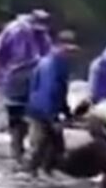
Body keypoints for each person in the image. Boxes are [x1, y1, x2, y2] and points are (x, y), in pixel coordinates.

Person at [0, 9, 52, 162]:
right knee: (16, 115)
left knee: (36, 115)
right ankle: (17, 150)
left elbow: (48, 57)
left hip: (35, 78)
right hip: (14, 76)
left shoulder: (43, 35)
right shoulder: (14, 30)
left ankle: (30, 150)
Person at [26, 30, 80, 176]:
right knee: (42, 145)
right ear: (60, 46)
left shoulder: (50, 62)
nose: (71, 54)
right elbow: (49, 92)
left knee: (54, 146)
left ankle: (43, 173)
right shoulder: (52, 65)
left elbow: (60, 91)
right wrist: (53, 118)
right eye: (69, 50)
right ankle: (32, 173)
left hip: (39, 109)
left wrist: (67, 112)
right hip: (43, 111)